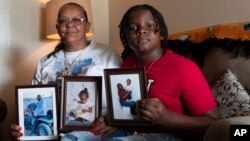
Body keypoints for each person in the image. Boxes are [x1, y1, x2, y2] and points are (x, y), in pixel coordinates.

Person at [104, 4, 220, 141]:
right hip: (129, 132)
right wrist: (110, 120)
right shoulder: (128, 63)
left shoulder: (183, 67)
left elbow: (214, 124)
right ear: (125, 36)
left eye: (149, 26)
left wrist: (167, 118)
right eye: (132, 28)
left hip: (168, 135)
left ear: (161, 32)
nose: (141, 31)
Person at [10, 2, 122, 140]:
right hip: (52, 131)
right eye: (64, 21)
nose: (69, 25)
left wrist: (114, 121)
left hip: (93, 131)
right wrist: (21, 128)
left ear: (87, 25)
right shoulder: (45, 62)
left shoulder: (107, 54)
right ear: (58, 27)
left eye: (77, 20)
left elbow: (121, 100)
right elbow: (34, 98)